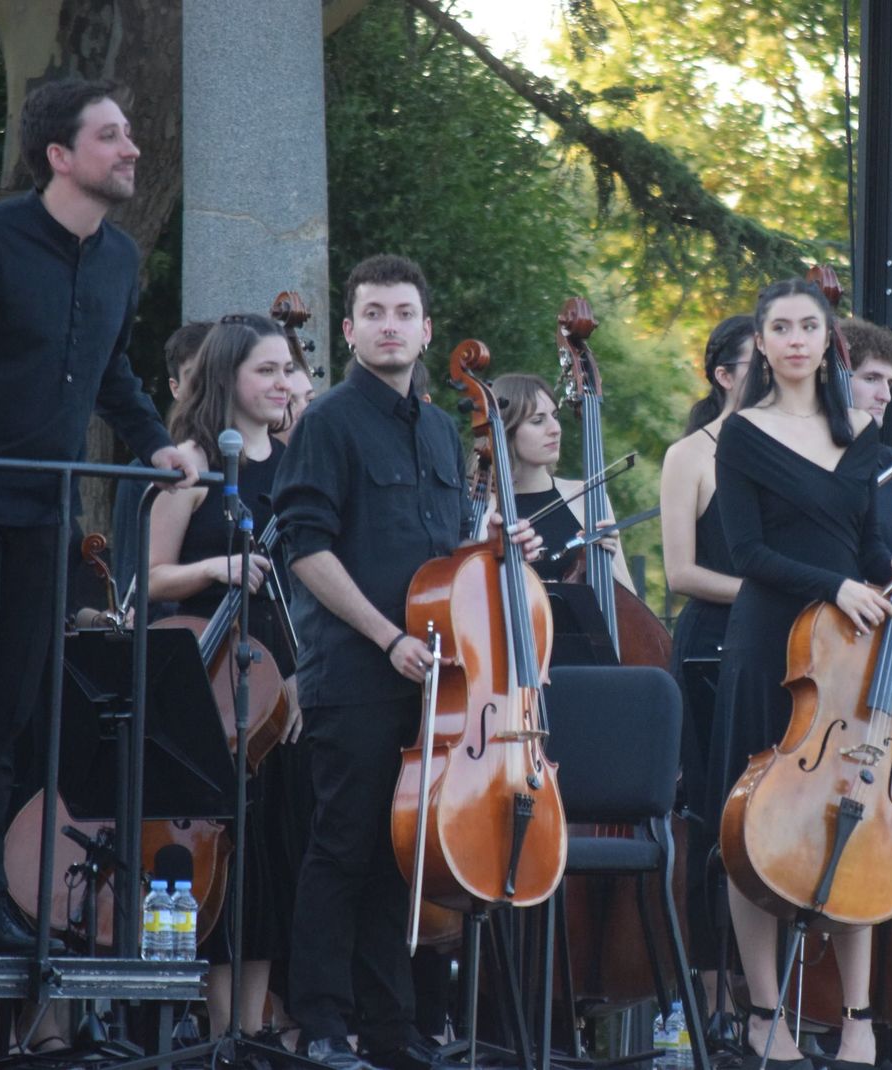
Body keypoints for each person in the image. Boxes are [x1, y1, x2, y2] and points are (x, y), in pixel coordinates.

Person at [0, 77, 197, 954]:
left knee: (10, 704)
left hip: (44, 509)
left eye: (130, 134)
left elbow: (113, 372)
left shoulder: (116, 259)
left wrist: (156, 441)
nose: (133, 149)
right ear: (60, 156)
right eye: (113, 136)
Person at [271, 254, 538, 1070]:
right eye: (374, 313)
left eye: (404, 313)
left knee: (403, 854)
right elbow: (304, 545)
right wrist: (385, 637)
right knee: (345, 845)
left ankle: (389, 1035)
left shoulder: (439, 429)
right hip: (356, 672)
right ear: (350, 331)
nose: (390, 326)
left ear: (426, 329)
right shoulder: (328, 423)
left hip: (436, 678)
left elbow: (442, 558)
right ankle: (321, 1024)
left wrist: (496, 548)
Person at [711, 278, 892, 1070]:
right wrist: (834, 584)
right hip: (775, 639)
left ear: (827, 339)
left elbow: (869, 542)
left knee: (856, 809)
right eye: (780, 328)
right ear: (761, 345)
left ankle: (859, 1019)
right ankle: (768, 1012)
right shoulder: (742, 435)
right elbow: (747, 556)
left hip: (853, 645)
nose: (796, 339)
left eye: (809, 325)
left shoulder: (862, 431)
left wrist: (886, 569)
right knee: (753, 820)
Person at [146, 313, 302, 1039]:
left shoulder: (301, 464)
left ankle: (252, 1032)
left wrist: (299, 677)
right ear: (228, 377)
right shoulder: (190, 463)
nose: (281, 383)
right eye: (265, 370)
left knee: (270, 849)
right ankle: (211, 1031)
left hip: (280, 682)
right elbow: (147, 580)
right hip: (204, 674)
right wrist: (216, 568)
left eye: (286, 370)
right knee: (220, 850)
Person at [659, 315, 752, 999]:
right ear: (724, 376)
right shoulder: (691, 455)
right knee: (712, 817)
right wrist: (775, 590)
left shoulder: (800, 448)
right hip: (713, 647)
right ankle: (712, 994)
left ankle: (775, 995)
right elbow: (682, 574)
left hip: (788, 651)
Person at [487, 372, 634, 591]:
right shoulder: (485, 510)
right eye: (538, 421)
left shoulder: (588, 496)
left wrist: (607, 561)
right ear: (506, 431)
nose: (555, 429)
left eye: (555, 416)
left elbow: (632, 602)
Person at [113, 319, 214, 600]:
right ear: (175, 387)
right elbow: (131, 582)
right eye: (196, 376)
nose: (208, 389)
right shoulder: (141, 475)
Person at [839, 319, 892, 552]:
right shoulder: (796, 457)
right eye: (871, 379)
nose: (886, 396)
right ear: (836, 378)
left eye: (889, 383)